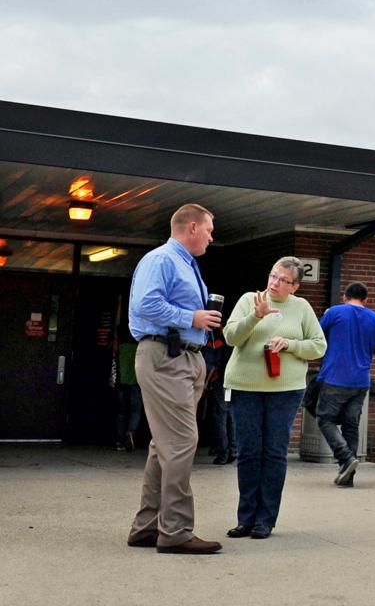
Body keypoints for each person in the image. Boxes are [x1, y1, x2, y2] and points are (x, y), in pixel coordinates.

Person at [125, 203, 222, 555]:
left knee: (163, 445)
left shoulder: (183, 263)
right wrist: (192, 317)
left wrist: (196, 324)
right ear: (192, 227)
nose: (212, 237)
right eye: (209, 230)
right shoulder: (162, 259)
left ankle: (147, 526)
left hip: (183, 357)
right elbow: (145, 306)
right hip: (166, 356)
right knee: (181, 442)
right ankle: (176, 531)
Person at [222, 257, 327, 540]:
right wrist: (256, 316)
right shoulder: (249, 300)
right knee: (248, 451)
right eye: (273, 276)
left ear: (295, 286)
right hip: (245, 386)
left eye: (283, 280)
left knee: (274, 452)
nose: (275, 283)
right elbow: (231, 337)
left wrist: (291, 345)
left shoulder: (301, 308)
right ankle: (245, 518)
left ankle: (265, 520)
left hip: (285, 390)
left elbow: (319, 345)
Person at [316, 281, 375, 487]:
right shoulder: (374, 317)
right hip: (361, 380)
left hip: (335, 376)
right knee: (351, 424)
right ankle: (348, 475)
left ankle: (345, 458)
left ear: (345, 297)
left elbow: (317, 337)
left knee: (325, 419)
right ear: (366, 300)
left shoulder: (335, 312)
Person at [204, 333, 235, 465]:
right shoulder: (235, 342)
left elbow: (209, 365)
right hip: (232, 385)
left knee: (220, 417)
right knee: (230, 417)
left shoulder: (215, 343)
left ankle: (222, 453)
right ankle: (233, 450)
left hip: (219, 385)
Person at [114, 338, 143, 452]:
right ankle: (130, 432)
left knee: (120, 411)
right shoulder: (140, 347)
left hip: (121, 381)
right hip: (135, 381)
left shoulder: (120, 346)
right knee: (136, 410)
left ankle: (119, 441)